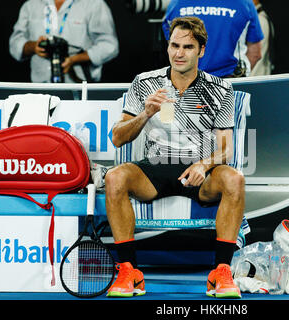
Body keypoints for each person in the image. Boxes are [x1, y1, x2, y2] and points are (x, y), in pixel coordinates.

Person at [105, 17, 245, 298]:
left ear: (201, 51)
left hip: (199, 172)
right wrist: (146, 114)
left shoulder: (221, 89)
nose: (179, 53)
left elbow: (226, 150)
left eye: (188, 47)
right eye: (174, 45)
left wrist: (204, 165)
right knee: (114, 177)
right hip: (154, 169)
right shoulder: (144, 83)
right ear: (167, 47)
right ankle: (129, 271)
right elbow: (117, 137)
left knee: (234, 179)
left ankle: (221, 272)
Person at [9, 0, 119, 83]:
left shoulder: (94, 4)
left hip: (80, 89)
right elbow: (15, 44)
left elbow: (110, 45)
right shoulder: (31, 5)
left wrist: (75, 59)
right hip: (40, 90)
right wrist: (34, 47)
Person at [162, 0, 264, 78]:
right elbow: (255, 54)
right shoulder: (244, 3)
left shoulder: (177, 3)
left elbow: (174, 48)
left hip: (188, 83)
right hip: (230, 82)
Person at [250, 0, 275, 76]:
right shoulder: (261, 18)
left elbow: (254, 55)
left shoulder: (258, 21)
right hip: (258, 78)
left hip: (253, 80)